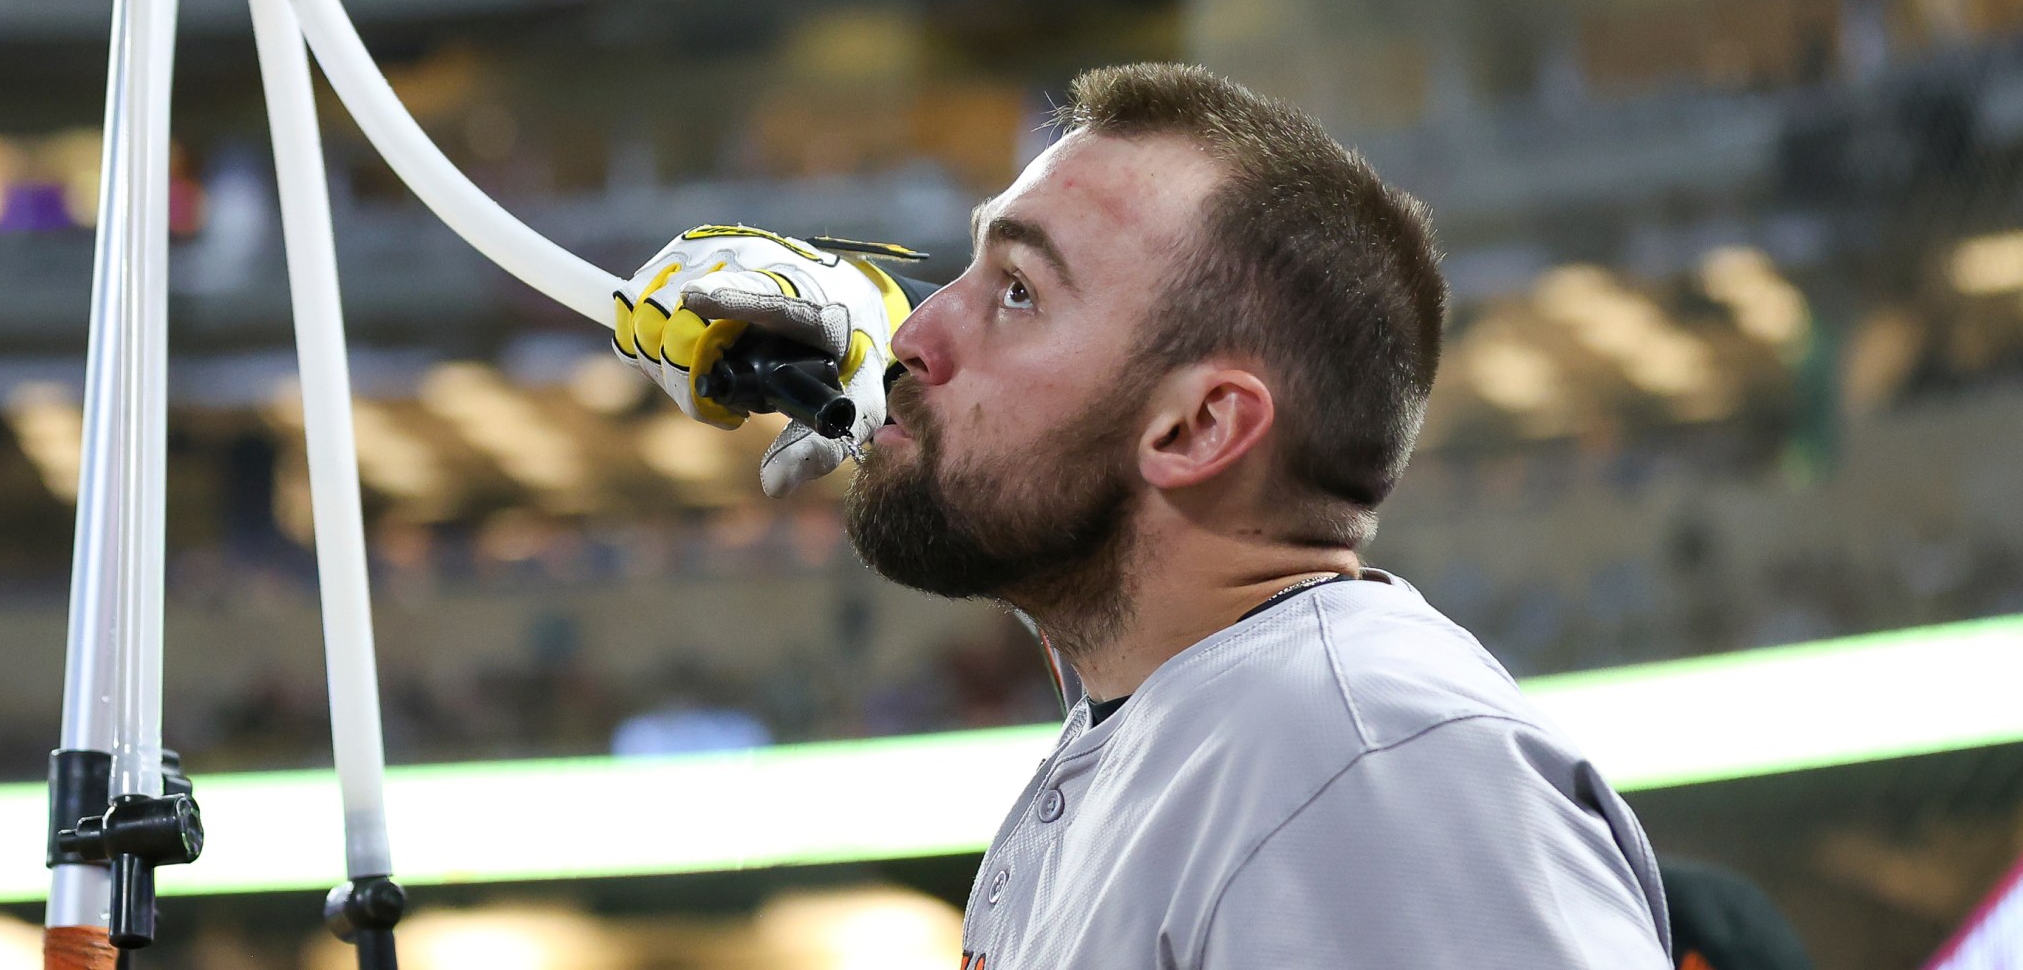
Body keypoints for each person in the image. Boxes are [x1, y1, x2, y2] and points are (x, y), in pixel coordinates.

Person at [612, 62, 1673, 967]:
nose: (913, 333)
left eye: (1019, 291)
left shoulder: (1371, 771)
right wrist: (885, 414)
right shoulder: (1210, 720)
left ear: (1198, 429)